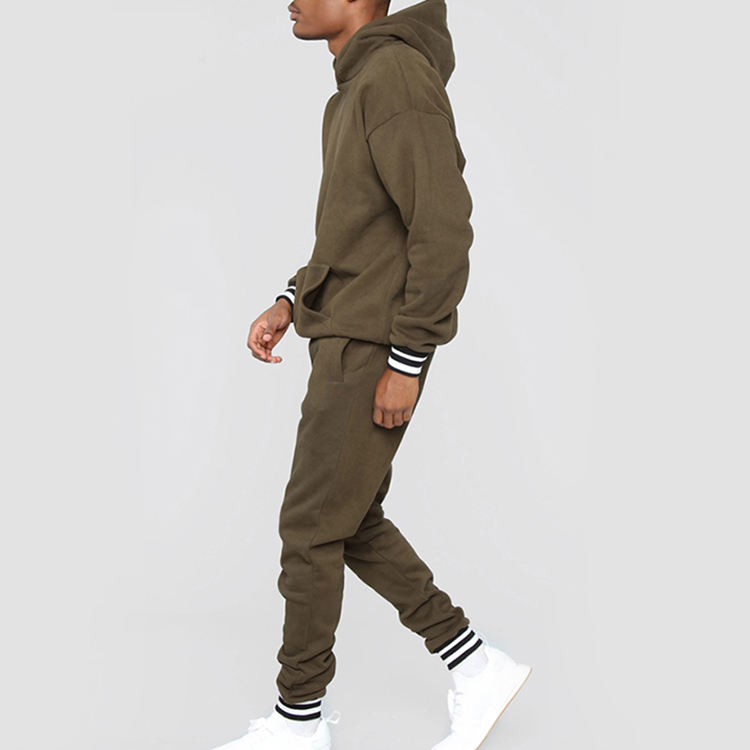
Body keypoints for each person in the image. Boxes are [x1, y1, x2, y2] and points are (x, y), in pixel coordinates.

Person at [211, 1, 531, 748]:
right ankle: (476, 664)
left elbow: (442, 228)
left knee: (309, 529)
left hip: (372, 347)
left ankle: (299, 721)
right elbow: (358, 232)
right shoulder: (359, 84)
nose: (290, 0)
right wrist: (292, 299)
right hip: (348, 338)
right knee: (347, 520)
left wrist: (407, 361)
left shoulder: (393, 76)